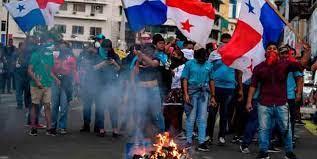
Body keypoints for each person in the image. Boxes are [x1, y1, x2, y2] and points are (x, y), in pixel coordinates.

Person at [246, 42, 302, 159]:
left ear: (277, 52)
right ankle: (263, 152)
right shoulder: (259, 68)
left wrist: (306, 52)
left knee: (286, 128)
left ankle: (289, 152)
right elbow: (253, 85)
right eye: (269, 48)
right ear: (265, 53)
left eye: (274, 49)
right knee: (263, 129)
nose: (272, 50)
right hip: (264, 104)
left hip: (281, 103)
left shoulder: (285, 65)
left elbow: (302, 65)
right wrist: (249, 101)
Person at [207, 33, 243, 145]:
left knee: (224, 113)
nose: (226, 44)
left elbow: (239, 73)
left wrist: (240, 88)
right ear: (220, 41)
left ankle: (221, 136)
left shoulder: (234, 55)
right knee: (212, 113)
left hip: (229, 88)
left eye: (228, 42)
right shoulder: (213, 54)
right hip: (215, 88)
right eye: (224, 42)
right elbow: (208, 70)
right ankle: (209, 135)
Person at [181, 48, 216, 152]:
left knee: (202, 118)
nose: (202, 60)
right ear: (196, 57)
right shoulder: (189, 64)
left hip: (204, 93)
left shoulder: (209, 65)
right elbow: (185, 79)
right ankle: (188, 141)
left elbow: (211, 80)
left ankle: (201, 142)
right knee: (191, 118)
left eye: (204, 59)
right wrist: (186, 94)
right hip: (192, 93)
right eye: (200, 59)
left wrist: (213, 96)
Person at [132, 34, 167, 136]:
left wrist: (142, 56)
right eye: (145, 49)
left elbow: (154, 64)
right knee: (141, 113)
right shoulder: (139, 59)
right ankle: (140, 136)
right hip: (141, 89)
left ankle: (162, 135)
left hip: (153, 89)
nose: (148, 51)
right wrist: (138, 61)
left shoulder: (157, 56)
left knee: (157, 114)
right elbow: (135, 73)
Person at [28, 37, 55, 136]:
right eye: (50, 43)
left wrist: (56, 79)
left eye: (53, 43)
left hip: (48, 85)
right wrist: (37, 81)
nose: (52, 45)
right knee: (35, 106)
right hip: (36, 85)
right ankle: (33, 128)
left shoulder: (51, 56)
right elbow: (29, 70)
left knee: (47, 106)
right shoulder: (35, 55)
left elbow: (49, 70)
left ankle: (49, 128)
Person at [51, 41, 79, 135]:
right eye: (61, 47)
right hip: (55, 83)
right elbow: (50, 71)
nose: (62, 49)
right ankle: (53, 126)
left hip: (66, 84)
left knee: (64, 107)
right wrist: (56, 79)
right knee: (54, 106)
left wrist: (77, 83)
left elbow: (74, 71)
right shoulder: (54, 57)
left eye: (64, 47)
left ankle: (62, 126)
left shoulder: (71, 59)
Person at [13, 42, 32, 110]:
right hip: (18, 75)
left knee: (27, 91)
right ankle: (19, 104)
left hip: (27, 75)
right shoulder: (15, 54)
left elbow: (30, 63)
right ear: (20, 46)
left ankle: (27, 104)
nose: (24, 47)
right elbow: (13, 63)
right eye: (23, 46)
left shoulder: (28, 54)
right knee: (19, 90)